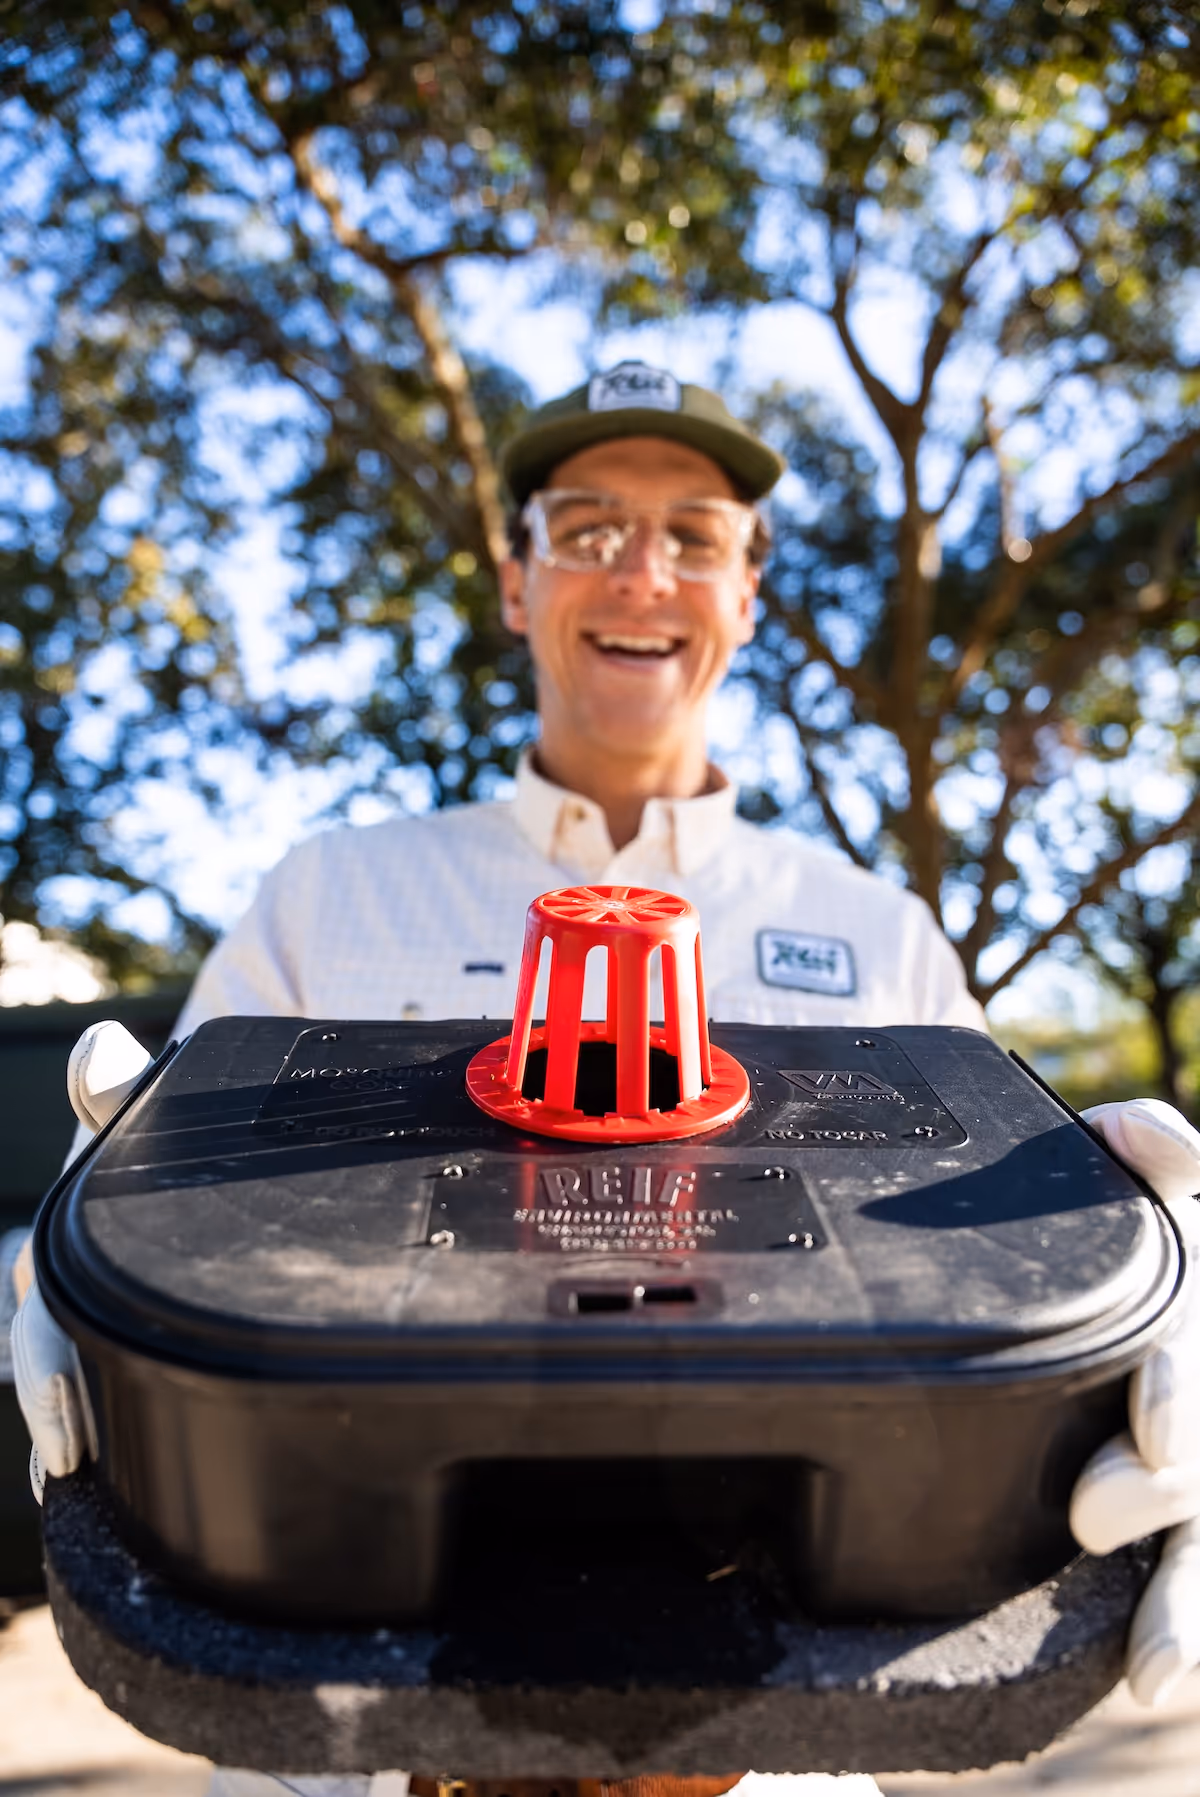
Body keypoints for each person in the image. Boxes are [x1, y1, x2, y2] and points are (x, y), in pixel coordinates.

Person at [13, 364, 1200, 1797]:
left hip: (784, 1746)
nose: (642, 571)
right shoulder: (333, 897)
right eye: (587, 528)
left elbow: (1004, 1267)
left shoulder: (881, 935)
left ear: (746, 592)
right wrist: (67, 1286)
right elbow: (159, 1214)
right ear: (519, 582)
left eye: (694, 535)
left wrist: (1147, 1322)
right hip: (343, 1720)